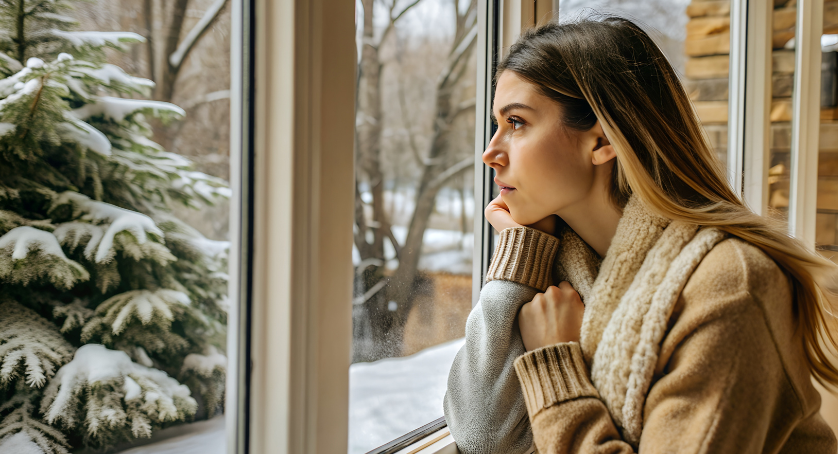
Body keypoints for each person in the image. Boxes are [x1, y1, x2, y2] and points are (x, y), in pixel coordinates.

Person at [443, 15, 838, 454]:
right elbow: (481, 434)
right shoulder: (564, 266)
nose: (489, 152)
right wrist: (521, 254)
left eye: (516, 123)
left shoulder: (729, 287)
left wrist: (554, 366)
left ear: (600, 141)